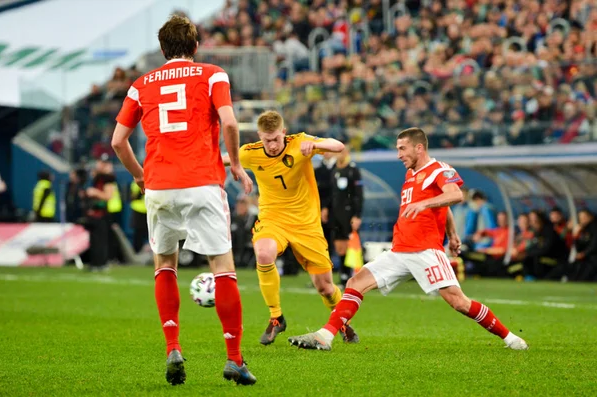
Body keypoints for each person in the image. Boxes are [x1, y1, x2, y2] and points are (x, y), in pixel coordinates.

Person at [288, 127, 528, 351]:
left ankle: (511, 338)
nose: (399, 154)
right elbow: (444, 207)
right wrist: (453, 234)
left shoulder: (439, 169)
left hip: (425, 251)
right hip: (400, 250)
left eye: (402, 149)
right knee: (355, 283)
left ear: (419, 148)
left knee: (459, 302)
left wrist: (426, 205)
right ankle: (326, 336)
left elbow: (454, 195)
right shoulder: (411, 175)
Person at [111, 15, 256, 386]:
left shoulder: (140, 84)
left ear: (162, 50)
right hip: (201, 182)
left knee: (165, 265)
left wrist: (140, 177)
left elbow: (117, 142)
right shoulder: (213, 74)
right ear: (195, 46)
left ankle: (173, 346)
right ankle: (234, 359)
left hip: (159, 186)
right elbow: (229, 122)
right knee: (223, 268)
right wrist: (237, 165)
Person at [222, 110, 359, 346]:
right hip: (273, 220)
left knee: (325, 287)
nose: (272, 145)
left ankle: (341, 322)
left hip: (306, 225)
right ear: (259, 136)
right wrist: (236, 166)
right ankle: (276, 317)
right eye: (267, 140)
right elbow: (219, 158)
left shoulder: (299, 143)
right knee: (263, 254)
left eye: (276, 138)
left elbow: (338, 146)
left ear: (284, 132)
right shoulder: (250, 153)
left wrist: (315, 145)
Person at [330, 145, 364, 288]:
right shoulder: (333, 169)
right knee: (339, 245)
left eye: (342, 151)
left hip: (349, 213)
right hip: (335, 212)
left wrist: (357, 215)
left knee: (350, 245)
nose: (339, 154)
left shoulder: (353, 170)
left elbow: (358, 194)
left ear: (347, 152)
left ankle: (352, 276)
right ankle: (343, 276)